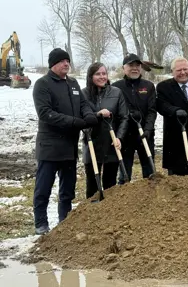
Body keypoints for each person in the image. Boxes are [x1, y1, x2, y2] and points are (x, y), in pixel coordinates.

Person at [32, 48, 98, 235]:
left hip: (69, 146)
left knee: (67, 190)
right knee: (43, 187)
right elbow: (45, 113)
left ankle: (65, 223)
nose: (66, 64)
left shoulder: (73, 83)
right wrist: (74, 122)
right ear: (53, 64)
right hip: (50, 146)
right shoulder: (42, 84)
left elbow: (83, 104)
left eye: (67, 61)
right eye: (62, 61)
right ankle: (41, 224)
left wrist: (89, 116)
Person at [81, 62, 128, 198]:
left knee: (110, 185)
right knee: (92, 185)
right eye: (97, 74)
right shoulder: (83, 94)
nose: (102, 77)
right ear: (90, 77)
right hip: (91, 143)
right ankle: (91, 214)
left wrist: (119, 137)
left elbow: (124, 117)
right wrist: (98, 114)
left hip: (111, 143)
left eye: (104, 74)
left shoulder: (116, 92)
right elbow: (81, 118)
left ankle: (109, 216)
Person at [112, 54, 157, 182]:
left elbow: (152, 111)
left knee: (150, 174)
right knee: (124, 175)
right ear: (123, 68)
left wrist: (148, 129)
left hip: (145, 135)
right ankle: (126, 200)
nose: (135, 68)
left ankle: (151, 199)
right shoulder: (116, 87)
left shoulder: (148, 86)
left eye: (137, 65)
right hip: (125, 137)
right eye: (131, 65)